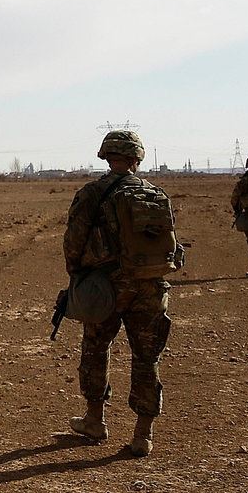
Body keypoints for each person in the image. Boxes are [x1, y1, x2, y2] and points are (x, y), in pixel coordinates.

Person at [62, 130, 176, 458]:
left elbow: (73, 242)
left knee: (96, 348)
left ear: (105, 156)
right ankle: (143, 435)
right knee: (147, 357)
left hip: (106, 286)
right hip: (150, 286)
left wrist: (78, 277)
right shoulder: (156, 195)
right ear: (137, 159)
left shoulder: (93, 193)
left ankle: (94, 421)